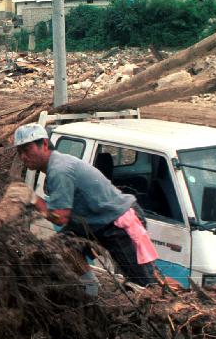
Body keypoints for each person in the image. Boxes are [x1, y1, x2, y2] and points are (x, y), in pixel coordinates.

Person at [13, 123, 158, 291]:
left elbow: (60, 217)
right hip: (94, 223)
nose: (23, 156)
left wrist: (32, 199)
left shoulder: (59, 170)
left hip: (117, 223)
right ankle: (90, 289)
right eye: (19, 152)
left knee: (145, 285)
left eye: (27, 149)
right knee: (64, 245)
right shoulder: (56, 166)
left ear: (44, 144)